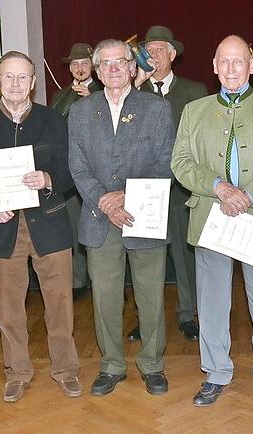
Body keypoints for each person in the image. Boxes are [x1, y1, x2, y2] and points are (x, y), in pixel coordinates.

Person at [171, 35, 253, 408]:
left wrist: (249, 195)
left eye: (238, 62)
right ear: (213, 66)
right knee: (211, 301)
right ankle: (215, 372)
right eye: (223, 62)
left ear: (251, 65)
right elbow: (181, 163)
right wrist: (219, 188)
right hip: (213, 217)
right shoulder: (194, 111)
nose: (230, 69)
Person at [0, 51, 81, 403]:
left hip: (50, 224)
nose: (15, 84)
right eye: (8, 77)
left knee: (60, 304)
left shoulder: (53, 120)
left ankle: (66, 370)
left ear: (32, 82)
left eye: (22, 77)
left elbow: (71, 167)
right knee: (9, 309)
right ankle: (17, 372)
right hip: (2, 225)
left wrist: (48, 178)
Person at [68, 39, 174, 397]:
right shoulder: (81, 112)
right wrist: (105, 202)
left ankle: (152, 364)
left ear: (133, 67)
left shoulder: (157, 109)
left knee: (150, 295)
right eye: (106, 64)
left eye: (120, 62)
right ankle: (111, 364)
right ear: (97, 72)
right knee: (106, 297)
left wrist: (128, 197)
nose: (113, 69)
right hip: (100, 219)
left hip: (145, 214)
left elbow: (166, 161)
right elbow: (77, 167)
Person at [128, 25, 208, 342]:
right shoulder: (132, 92)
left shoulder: (194, 91)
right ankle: (147, 318)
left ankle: (189, 314)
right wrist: (137, 84)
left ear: (173, 55)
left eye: (161, 49)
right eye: (148, 50)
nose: (154, 55)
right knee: (144, 257)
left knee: (185, 256)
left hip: (182, 189)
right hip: (143, 189)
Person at [49, 42, 103, 300]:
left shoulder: (104, 92)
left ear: (92, 66)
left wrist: (91, 100)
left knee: (99, 224)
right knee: (73, 225)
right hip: (68, 169)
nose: (79, 68)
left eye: (84, 63)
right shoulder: (60, 95)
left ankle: (103, 281)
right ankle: (78, 280)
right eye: (75, 64)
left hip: (97, 171)